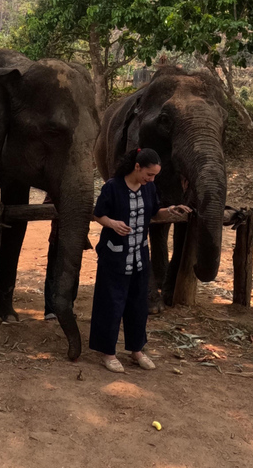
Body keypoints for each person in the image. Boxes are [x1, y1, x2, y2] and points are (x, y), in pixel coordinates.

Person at [89, 148, 191, 373]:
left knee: (138, 305)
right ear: (137, 167)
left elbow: (154, 213)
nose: (151, 179)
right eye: (149, 174)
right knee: (112, 304)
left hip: (139, 257)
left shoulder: (149, 188)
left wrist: (172, 210)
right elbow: (98, 214)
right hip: (114, 257)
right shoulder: (112, 187)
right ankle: (108, 353)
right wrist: (113, 224)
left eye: (154, 176)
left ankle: (136, 350)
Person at [42, 194, 92, 321]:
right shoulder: (55, 188)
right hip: (58, 238)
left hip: (76, 240)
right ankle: (51, 310)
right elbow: (46, 208)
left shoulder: (83, 192)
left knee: (73, 274)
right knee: (53, 274)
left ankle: (67, 308)